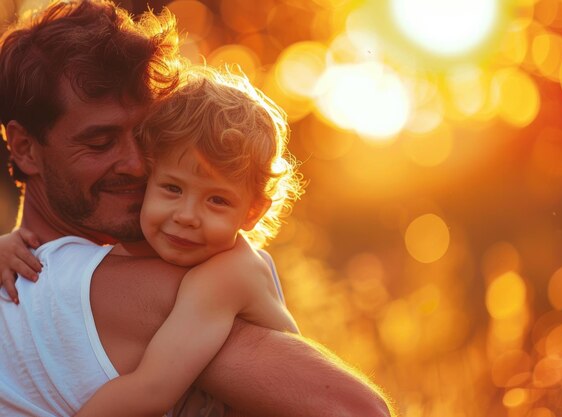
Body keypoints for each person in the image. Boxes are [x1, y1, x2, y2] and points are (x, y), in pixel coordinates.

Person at [0, 1, 393, 416]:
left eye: (149, 137)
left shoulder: (19, 281)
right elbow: (358, 409)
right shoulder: (141, 291)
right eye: (100, 142)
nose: (136, 164)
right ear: (24, 148)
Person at [74, 64, 307, 416]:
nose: (186, 215)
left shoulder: (228, 275)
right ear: (146, 179)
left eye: (217, 200)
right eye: (172, 188)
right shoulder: (149, 251)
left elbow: (151, 390)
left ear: (252, 211)